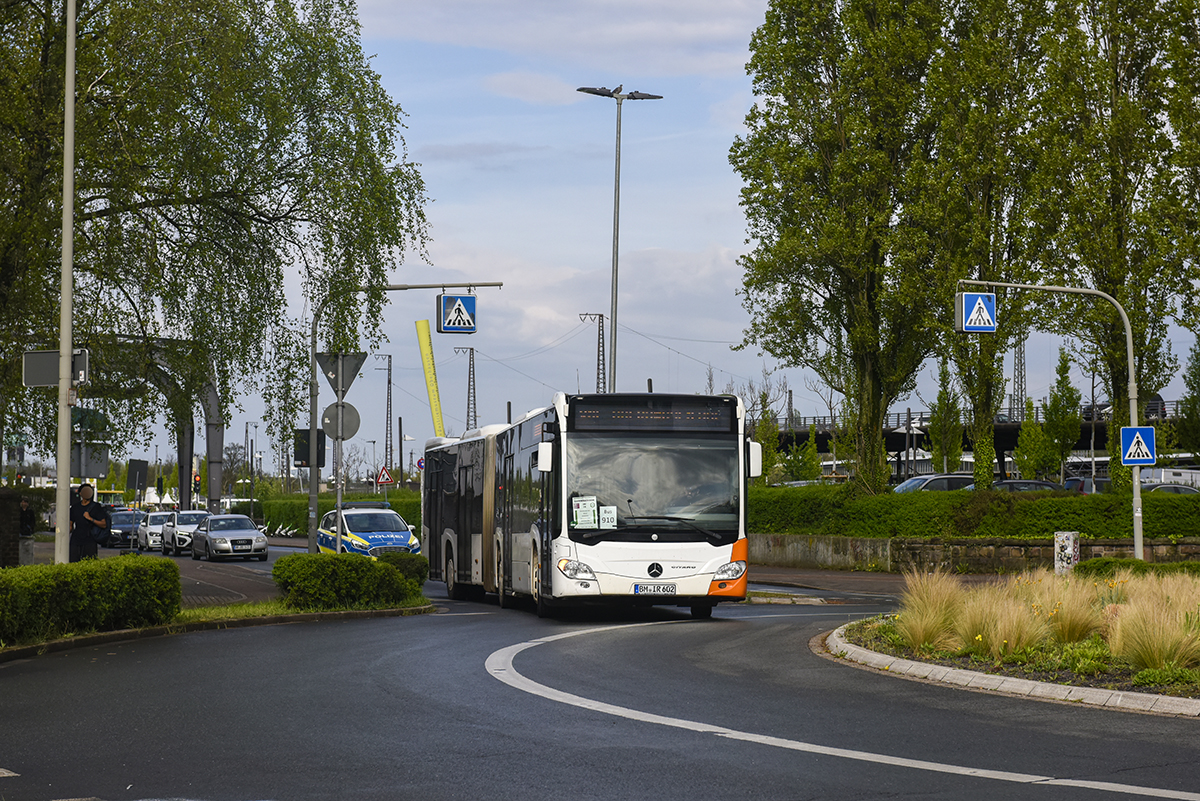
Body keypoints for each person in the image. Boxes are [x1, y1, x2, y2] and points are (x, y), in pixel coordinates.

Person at [69, 483, 106, 561]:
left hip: (90, 540)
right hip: (76, 540)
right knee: (74, 561)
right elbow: (70, 525)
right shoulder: (75, 507)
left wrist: (90, 519)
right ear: (80, 493)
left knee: (90, 562)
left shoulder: (96, 507)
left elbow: (103, 524)